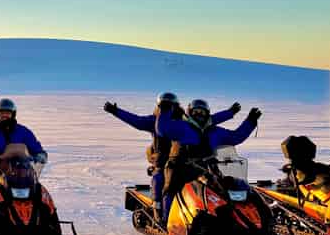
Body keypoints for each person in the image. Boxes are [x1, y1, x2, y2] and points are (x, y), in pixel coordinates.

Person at [103, 93, 241, 225]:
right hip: (163, 159)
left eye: (172, 104)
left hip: (186, 159)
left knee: (210, 181)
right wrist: (116, 111)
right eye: (166, 104)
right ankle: (160, 212)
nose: (170, 107)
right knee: (160, 180)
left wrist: (230, 113)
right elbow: (136, 121)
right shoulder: (154, 121)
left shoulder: (185, 119)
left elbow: (210, 119)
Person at [156, 98, 262, 221]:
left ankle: (225, 220)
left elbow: (235, 137)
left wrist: (250, 121)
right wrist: (164, 110)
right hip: (179, 166)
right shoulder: (181, 126)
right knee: (171, 188)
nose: (199, 115)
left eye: (202, 112)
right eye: (196, 112)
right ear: (189, 112)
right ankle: (167, 219)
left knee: (221, 190)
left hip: (204, 168)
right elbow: (162, 129)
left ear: (208, 114)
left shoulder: (214, 131)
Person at [0, 98, 47, 188]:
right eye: (2, 113)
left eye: (8, 113)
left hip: (21, 170)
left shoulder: (23, 131)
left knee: (38, 191)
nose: (5, 115)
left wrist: (40, 154)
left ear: (13, 115)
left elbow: (34, 145)